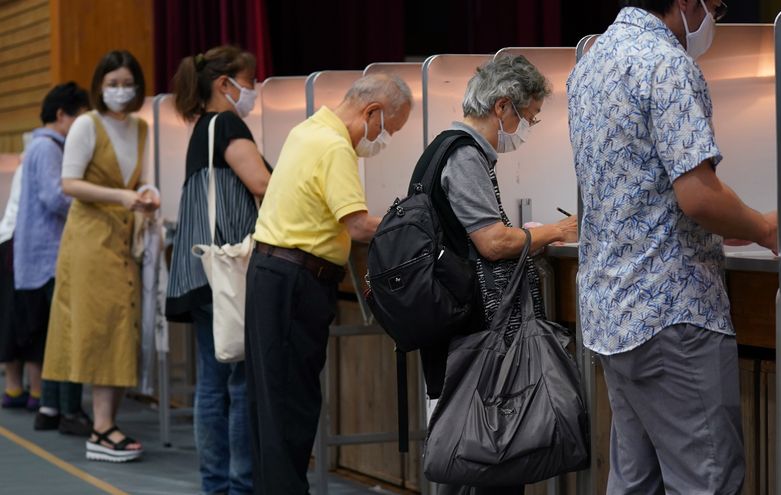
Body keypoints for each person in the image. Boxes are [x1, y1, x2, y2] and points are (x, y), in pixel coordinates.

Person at [567, 1, 777, 493]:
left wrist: (733, 222)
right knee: (705, 478)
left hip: (611, 314)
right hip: (672, 313)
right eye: (717, 6)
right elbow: (699, 195)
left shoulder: (591, 63)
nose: (715, 19)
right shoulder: (666, 62)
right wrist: (765, 228)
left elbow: (641, 190)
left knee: (635, 480)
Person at [245, 73, 412, 494]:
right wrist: (417, 224)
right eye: (387, 130)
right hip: (296, 281)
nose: (382, 140)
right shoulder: (335, 146)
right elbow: (357, 225)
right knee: (291, 408)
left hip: (273, 275)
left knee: (273, 408)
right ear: (371, 112)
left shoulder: (307, 129)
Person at [428, 55, 578, 495]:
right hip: (473, 327)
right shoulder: (466, 155)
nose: (527, 128)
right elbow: (491, 243)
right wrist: (557, 232)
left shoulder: (443, 147)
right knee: (486, 448)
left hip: (453, 321)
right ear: (502, 106)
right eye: (527, 117)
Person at [42, 50, 159, 463]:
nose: (119, 90)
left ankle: (104, 424)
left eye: (126, 82)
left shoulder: (142, 128)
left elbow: (139, 178)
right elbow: (69, 184)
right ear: (100, 86)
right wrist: (123, 196)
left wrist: (145, 194)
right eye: (111, 83)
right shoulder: (87, 126)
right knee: (100, 325)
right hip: (90, 239)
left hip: (123, 236)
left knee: (118, 324)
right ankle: (101, 426)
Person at [166, 45, 270, 495]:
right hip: (227, 270)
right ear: (225, 84)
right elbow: (263, 183)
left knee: (211, 382)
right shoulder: (226, 123)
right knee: (239, 381)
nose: (254, 91)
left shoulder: (200, 130)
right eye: (249, 82)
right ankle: (239, 484)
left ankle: (217, 485)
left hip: (200, 270)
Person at [11, 83, 93, 436]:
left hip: (40, 256)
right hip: (52, 254)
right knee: (67, 335)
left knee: (53, 336)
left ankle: (50, 407)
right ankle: (68, 409)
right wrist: (94, 201)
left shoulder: (37, 147)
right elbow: (55, 197)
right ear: (62, 115)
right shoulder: (48, 148)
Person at [0, 165, 29, 409]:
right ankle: (15, 387)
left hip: (15, 240)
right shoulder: (42, 155)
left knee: (14, 316)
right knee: (16, 316)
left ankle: (15, 388)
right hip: (17, 242)